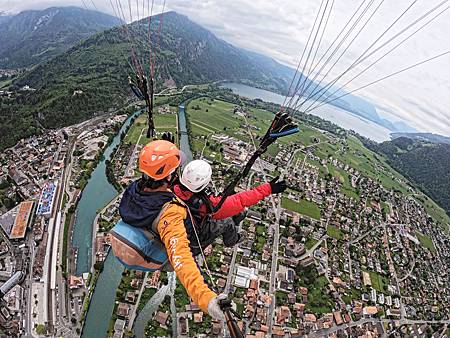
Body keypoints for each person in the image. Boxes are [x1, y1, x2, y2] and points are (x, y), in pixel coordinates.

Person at [114, 140, 226, 320]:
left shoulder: (135, 188)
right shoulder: (170, 213)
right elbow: (181, 259)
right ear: (169, 177)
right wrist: (206, 299)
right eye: (175, 171)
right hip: (158, 258)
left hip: (131, 241)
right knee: (220, 226)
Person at [172, 159, 287, 253]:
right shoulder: (208, 205)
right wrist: (268, 189)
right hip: (193, 242)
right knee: (228, 222)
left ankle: (234, 226)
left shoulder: (172, 187)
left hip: (179, 230)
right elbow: (240, 201)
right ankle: (232, 240)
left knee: (236, 214)